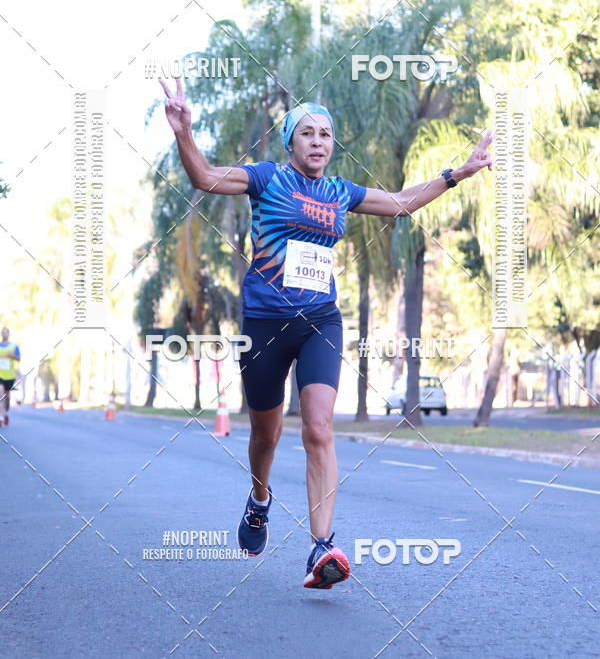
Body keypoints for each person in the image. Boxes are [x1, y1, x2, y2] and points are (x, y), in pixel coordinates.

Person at [159, 75, 493, 588]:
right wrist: (184, 130)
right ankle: (259, 499)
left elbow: (401, 202)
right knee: (266, 435)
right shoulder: (266, 178)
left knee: (318, 427)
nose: (318, 142)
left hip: (320, 321)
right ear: (290, 142)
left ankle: (321, 546)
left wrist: (458, 174)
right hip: (265, 325)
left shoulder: (341, 192)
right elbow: (204, 177)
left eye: (326, 134)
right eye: (307, 133)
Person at [0, 327, 21, 426]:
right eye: (2, 333)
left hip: (9, 376)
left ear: (8, 334)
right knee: (1, 394)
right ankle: (1, 417)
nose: (4, 334)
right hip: (0, 375)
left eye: (6, 333)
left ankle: (6, 413)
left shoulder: (14, 347)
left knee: (7, 397)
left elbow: (19, 358)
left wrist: (11, 355)